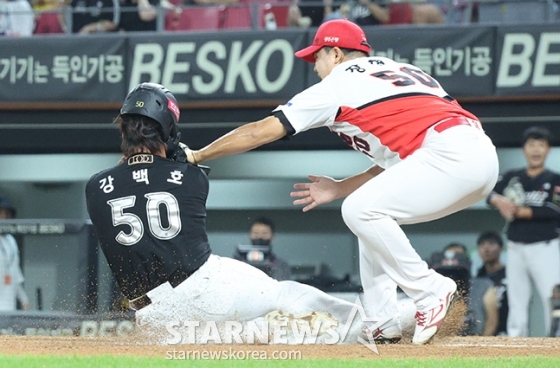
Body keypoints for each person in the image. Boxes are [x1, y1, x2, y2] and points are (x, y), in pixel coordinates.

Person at [182, 18, 499, 345]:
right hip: (476, 156)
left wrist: (198, 155)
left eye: (316, 58)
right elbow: (399, 162)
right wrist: (339, 187)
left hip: (448, 154)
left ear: (335, 53)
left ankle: (430, 290)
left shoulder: (337, 84)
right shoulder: (400, 69)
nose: (315, 67)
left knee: (360, 210)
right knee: (372, 213)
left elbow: (261, 131)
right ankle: (382, 319)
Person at [85, 82, 415, 344]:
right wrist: (177, 155)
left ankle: (305, 333)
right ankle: (382, 324)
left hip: (153, 319)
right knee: (286, 295)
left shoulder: (94, 187)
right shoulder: (190, 177)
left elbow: (129, 177)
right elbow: (164, 172)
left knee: (255, 332)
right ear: (168, 131)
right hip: (203, 289)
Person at [487, 126, 560, 337]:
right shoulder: (512, 176)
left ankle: (555, 342)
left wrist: (520, 211)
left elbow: (554, 209)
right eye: (531, 144)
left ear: (548, 150)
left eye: (541, 145)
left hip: (545, 246)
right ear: (523, 149)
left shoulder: (555, 179)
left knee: (551, 296)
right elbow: (489, 194)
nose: (536, 149)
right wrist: (498, 200)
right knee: (517, 298)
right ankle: (515, 342)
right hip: (516, 246)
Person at [429, 247, 498, 336]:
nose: (452, 278)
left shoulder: (482, 286)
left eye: (457, 273)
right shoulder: (425, 291)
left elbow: (491, 322)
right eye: (444, 273)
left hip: (476, 343)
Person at [233, 216, 292, 281]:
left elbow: (282, 285)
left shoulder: (281, 265)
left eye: (264, 234)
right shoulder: (239, 262)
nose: (259, 237)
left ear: (272, 237)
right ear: (250, 235)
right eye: (255, 233)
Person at [0, 195, 30, 312]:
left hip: (9, 308)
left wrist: (24, 301)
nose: (5, 217)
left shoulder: (11, 240)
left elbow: (16, 277)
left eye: (7, 213)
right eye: (1, 213)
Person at [475, 230, 507, 336]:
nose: (486, 249)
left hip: (506, 329)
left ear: (501, 249)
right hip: (484, 330)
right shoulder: (478, 277)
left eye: (491, 244)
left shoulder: (509, 275)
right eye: (482, 245)